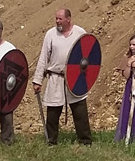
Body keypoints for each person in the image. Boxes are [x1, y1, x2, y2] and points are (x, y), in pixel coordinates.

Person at [32, 9, 92, 145]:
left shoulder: (79, 32)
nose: (57, 21)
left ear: (68, 19)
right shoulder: (51, 34)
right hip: (55, 77)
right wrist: (37, 80)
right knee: (53, 112)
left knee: (80, 111)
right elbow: (43, 57)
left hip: (75, 78)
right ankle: (51, 141)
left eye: (60, 19)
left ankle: (85, 141)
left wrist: (86, 77)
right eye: (56, 19)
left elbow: (88, 54)